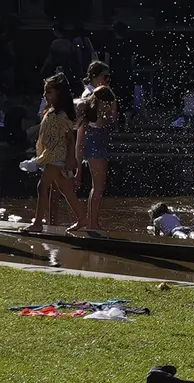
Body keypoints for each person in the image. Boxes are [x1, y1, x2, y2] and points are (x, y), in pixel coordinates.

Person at [19, 73, 88, 233]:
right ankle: (82, 218)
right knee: (66, 190)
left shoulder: (61, 115)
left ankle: (37, 223)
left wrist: (71, 159)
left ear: (59, 93)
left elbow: (70, 139)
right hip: (51, 155)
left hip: (57, 157)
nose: (45, 95)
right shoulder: (52, 112)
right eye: (45, 92)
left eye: (49, 92)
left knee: (42, 187)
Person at [76, 65, 117, 231]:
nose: (107, 80)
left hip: (95, 140)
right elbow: (95, 122)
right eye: (104, 76)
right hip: (94, 140)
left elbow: (107, 119)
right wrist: (77, 164)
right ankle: (92, 224)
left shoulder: (99, 93)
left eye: (109, 77)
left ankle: (92, 222)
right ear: (94, 76)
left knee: (98, 186)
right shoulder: (90, 95)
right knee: (98, 186)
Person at [105, 22, 136, 128]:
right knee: (127, 99)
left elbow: (107, 61)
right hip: (127, 74)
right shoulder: (129, 44)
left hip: (114, 74)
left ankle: (117, 126)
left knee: (115, 100)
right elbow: (132, 61)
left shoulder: (110, 45)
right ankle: (127, 125)